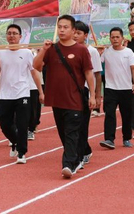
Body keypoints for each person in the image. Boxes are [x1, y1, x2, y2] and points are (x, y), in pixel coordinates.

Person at [33, 15, 96, 179]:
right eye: (59, 27)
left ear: (73, 30)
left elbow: (89, 73)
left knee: (71, 133)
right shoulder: (51, 49)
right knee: (63, 133)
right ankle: (75, 159)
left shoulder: (81, 50)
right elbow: (36, 66)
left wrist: (93, 95)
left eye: (65, 27)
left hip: (75, 100)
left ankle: (68, 164)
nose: (62, 30)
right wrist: (43, 49)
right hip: (56, 100)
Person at [0, 24, 43, 164]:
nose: (12, 36)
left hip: (22, 92)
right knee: (4, 123)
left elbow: (34, 72)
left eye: (15, 33)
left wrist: (40, 91)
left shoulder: (27, 53)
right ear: (6, 36)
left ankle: (22, 153)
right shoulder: (0, 52)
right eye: (9, 33)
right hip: (5, 93)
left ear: (20, 36)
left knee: (22, 124)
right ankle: (15, 142)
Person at [99, 27, 134, 151]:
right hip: (110, 88)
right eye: (112, 37)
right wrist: (98, 52)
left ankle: (126, 138)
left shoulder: (129, 52)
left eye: (117, 37)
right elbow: (97, 63)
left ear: (122, 38)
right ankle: (109, 139)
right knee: (109, 114)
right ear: (110, 38)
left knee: (126, 115)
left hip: (126, 88)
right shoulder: (106, 52)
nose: (115, 39)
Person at [73, 21, 103, 168]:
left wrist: (96, 95)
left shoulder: (92, 51)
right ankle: (84, 150)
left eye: (78, 33)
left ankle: (81, 153)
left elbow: (97, 74)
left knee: (82, 124)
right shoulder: (68, 49)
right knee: (72, 125)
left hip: (85, 92)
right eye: (74, 32)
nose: (75, 36)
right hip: (71, 92)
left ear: (85, 35)